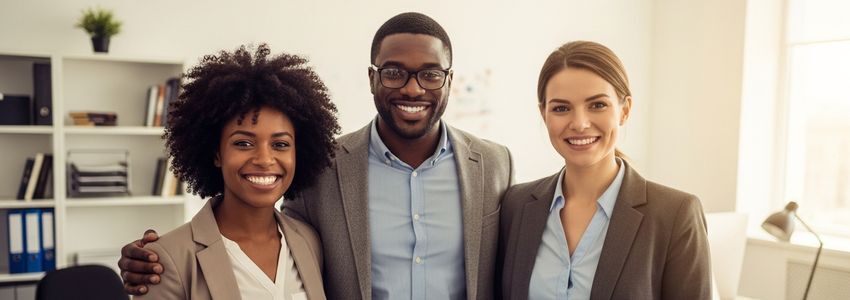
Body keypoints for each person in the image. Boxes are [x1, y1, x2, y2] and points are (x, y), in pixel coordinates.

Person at [119, 12, 513, 300]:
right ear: (372, 77)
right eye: (394, 72)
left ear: (448, 80)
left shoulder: (495, 164)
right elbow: (242, 227)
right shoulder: (325, 168)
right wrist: (155, 256)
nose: (412, 89)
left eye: (430, 73)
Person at [497, 41, 711, 299]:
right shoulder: (516, 206)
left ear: (625, 110)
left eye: (597, 105)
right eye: (561, 108)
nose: (579, 123)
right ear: (544, 114)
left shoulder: (675, 215)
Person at [132, 44, 340, 299]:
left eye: (280, 144)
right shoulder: (167, 258)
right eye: (243, 143)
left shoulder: (309, 241)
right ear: (216, 153)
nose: (264, 159)